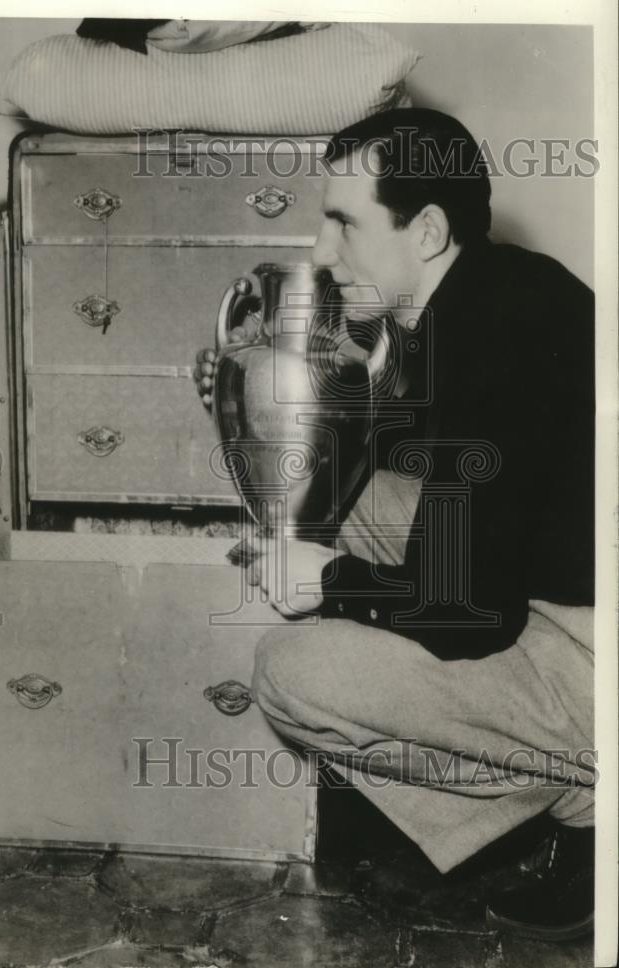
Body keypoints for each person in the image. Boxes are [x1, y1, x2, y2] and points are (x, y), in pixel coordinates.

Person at [194, 107, 595, 942]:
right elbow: (371, 464)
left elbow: (465, 617)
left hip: (593, 652)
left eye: (344, 222)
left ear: (427, 230)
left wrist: (332, 585)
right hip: (565, 594)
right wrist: (255, 392)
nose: (320, 252)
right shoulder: (489, 292)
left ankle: (585, 800)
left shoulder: (496, 336)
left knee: (293, 672)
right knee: (365, 504)